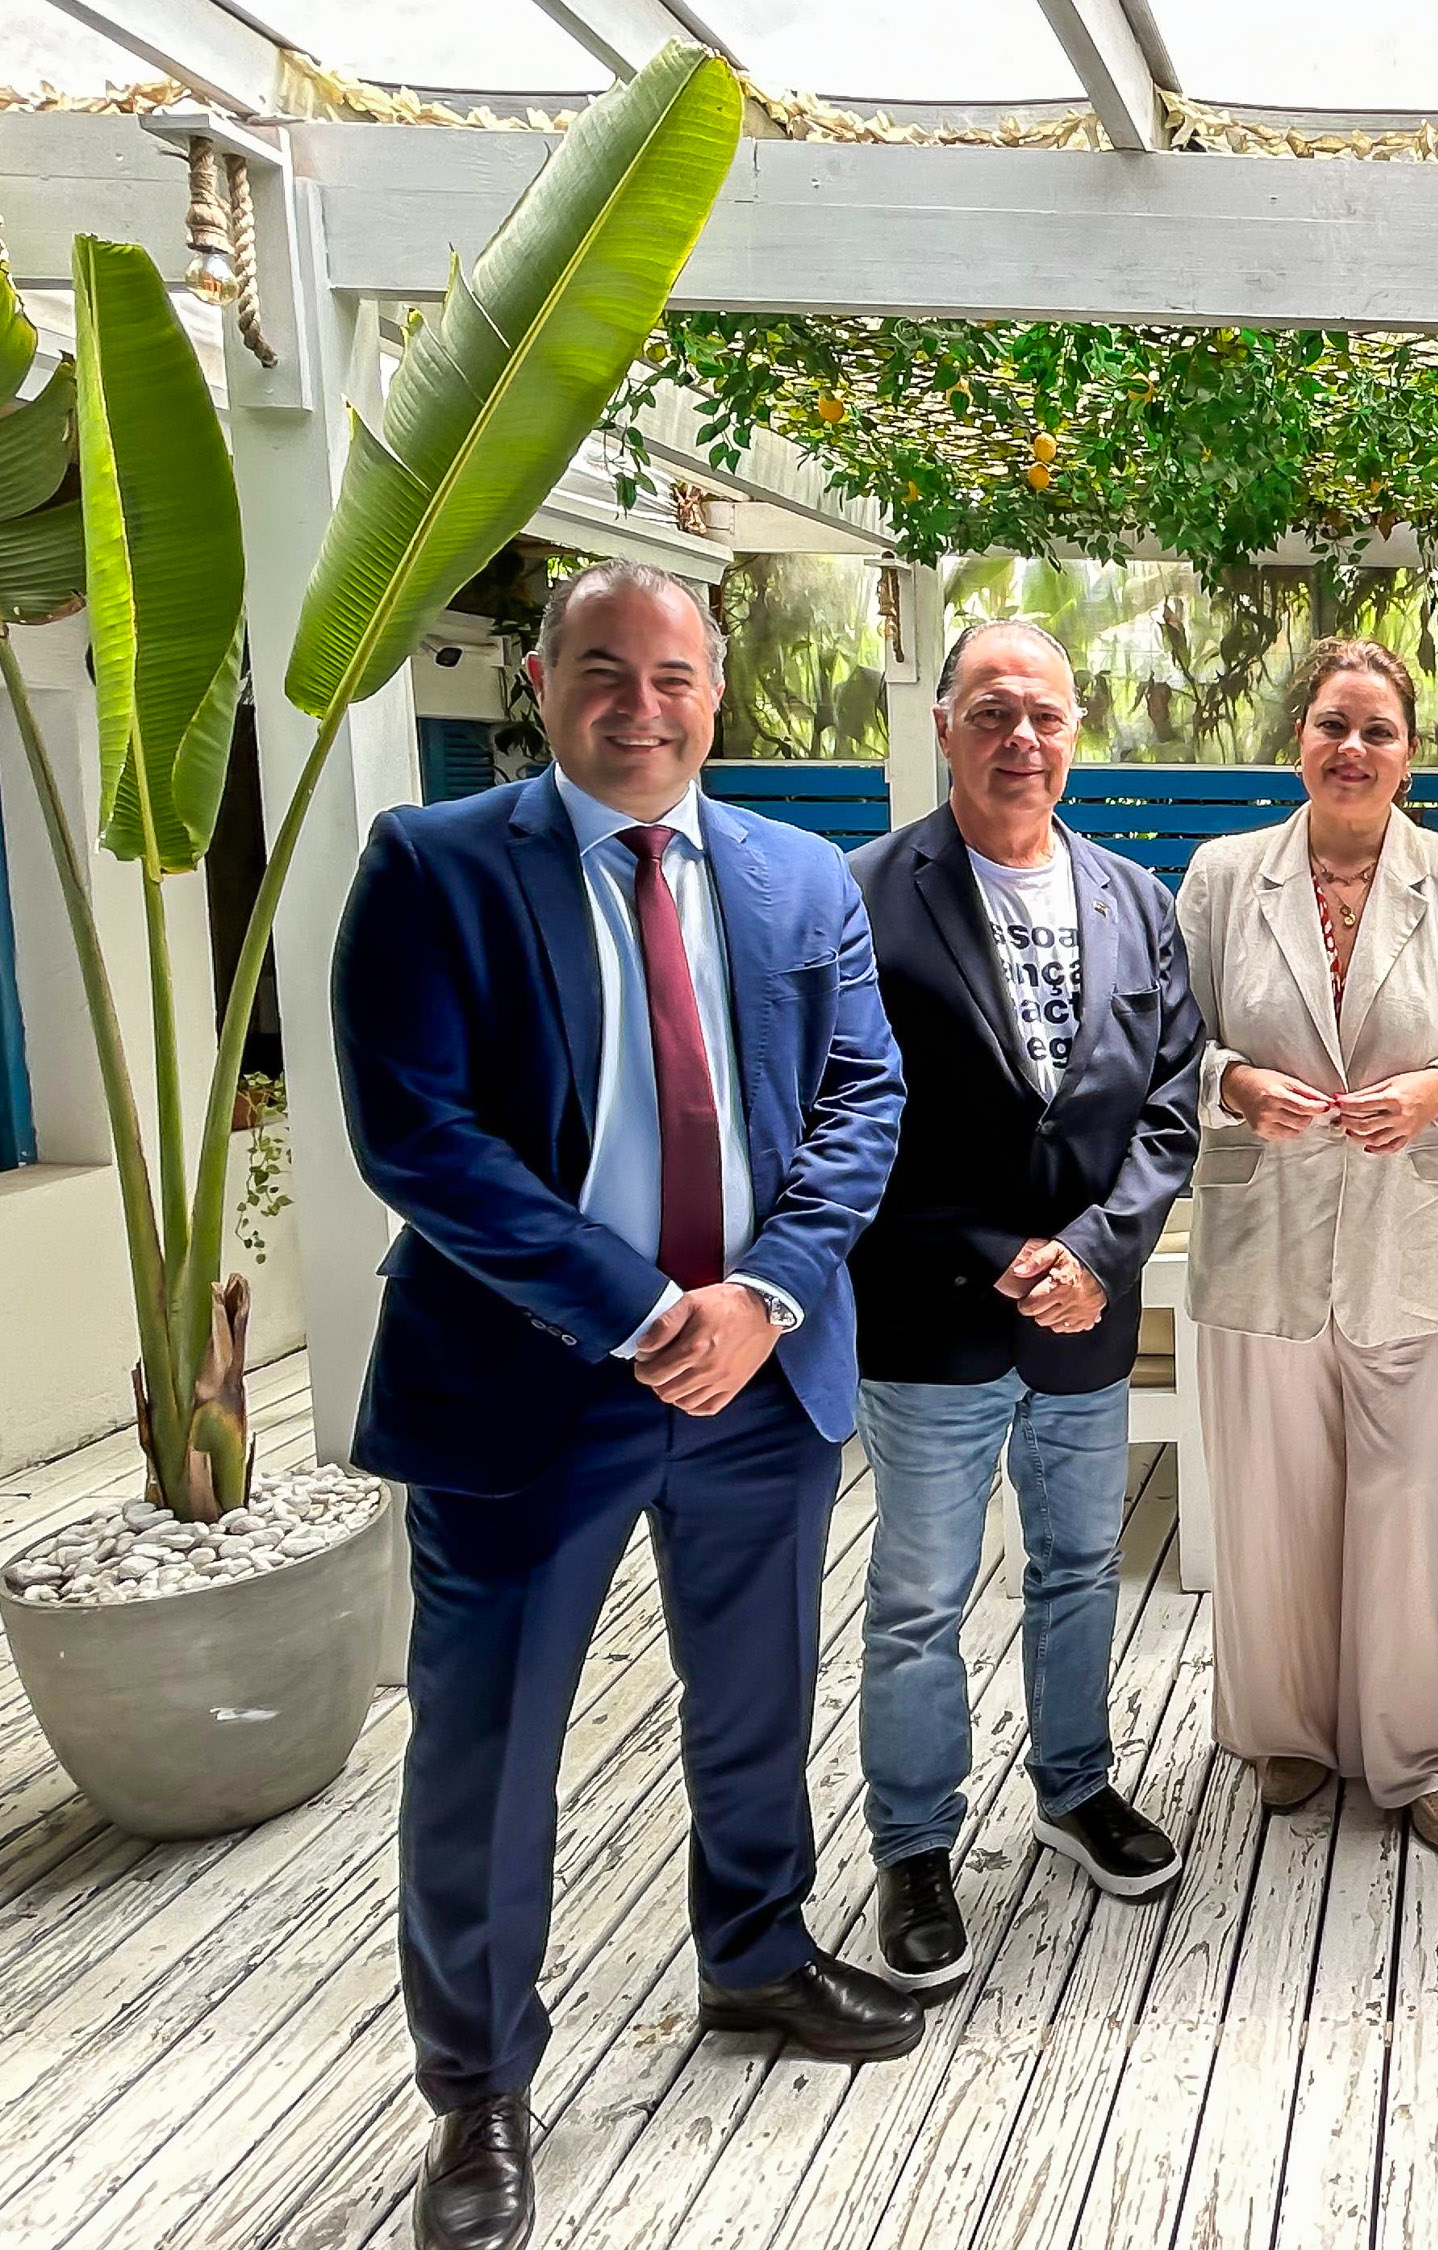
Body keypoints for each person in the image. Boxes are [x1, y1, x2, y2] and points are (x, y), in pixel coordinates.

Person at [332, 560, 913, 2250]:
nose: (638, 705)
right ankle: (477, 2092)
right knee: (488, 1748)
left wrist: (762, 1295)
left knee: (756, 1698)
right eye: (603, 669)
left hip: (758, 1375)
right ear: (540, 681)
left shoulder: (800, 876)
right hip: (529, 1386)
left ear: (715, 695)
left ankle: (757, 1957)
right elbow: (417, 1132)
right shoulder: (434, 864)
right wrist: (645, 1309)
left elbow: (863, 1096)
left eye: (671, 676)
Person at [845, 618, 1203, 1993]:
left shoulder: (1134, 898)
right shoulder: (864, 892)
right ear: (945, 724)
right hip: (933, 1317)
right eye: (992, 711)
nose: (1021, 738)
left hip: (1084, 1321)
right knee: (919, 1597)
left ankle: (1075, 1785)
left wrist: (1098, 1252)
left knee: (1077, 1567)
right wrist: (993, 1248)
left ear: (1076, 731)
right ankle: (914, 1844)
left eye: (1045, 714)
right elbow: (847, 1113)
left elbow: (1170, 1104)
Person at [1175, 638, 1438, 1861]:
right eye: (1333, 724)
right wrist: (1235, 1085)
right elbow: (1167, 1046)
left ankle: (1417, 1754)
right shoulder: (1224, 877)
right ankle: (1283, 1730)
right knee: (1269, 1499)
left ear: (1409, 755)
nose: (1353, 748)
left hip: (1413, 1239)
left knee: (1403, 1502)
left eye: (1378, 730)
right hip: (1262, 1234)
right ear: (1300, 739)